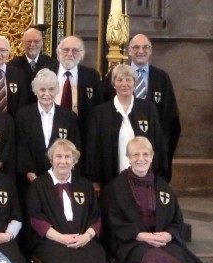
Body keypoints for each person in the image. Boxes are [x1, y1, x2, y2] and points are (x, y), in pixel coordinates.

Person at [103, 136, 203, 263]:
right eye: (135, 154)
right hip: (133, 242)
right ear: (128, 157)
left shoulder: (163, 187)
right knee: (153, 262)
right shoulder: (115, 187)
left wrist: (169, 234)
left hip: (161, 239)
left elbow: (176, 219)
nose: (141, 158)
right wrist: (141, 235)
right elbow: (113, 221)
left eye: (145, 154)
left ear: (152, 156)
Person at [27, 138, 109, 263]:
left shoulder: (84, 185)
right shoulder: (39, 186)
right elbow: (36, 219)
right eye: (58, 156)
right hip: (51, 241)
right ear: (51, 160)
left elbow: (96, 217)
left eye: (67, 157)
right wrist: (61, 238)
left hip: (83, 239)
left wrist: (86, 236)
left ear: (74, 161)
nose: (63, 161)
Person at [104, 34, 181, 182]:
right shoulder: (113, 77)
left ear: (151, 50)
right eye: (136, 47)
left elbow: (171, 118)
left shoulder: (161, 78)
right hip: (118, 150)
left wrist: (162, 148)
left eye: (145, 47)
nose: (141, 51)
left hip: (151, 150)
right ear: (129, 51)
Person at [85, 64, 167, 192]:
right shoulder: (100, 113)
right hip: (111, 175)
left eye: (129, 80)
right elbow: (93, 148)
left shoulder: (148, 109)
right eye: (119, 80)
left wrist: (160, 174)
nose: (124, 84)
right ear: (113, 84)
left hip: (143, 176)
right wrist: (94, 179)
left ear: (135, 83)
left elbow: (158, 142)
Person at [16, 68, 80, 184]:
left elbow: (74, 147)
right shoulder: (23, 116)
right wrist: (32, 176)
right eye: (42, 89)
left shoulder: (69, 117)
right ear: (35, 91)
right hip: (30, 180)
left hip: (61, 178)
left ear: (57, 91)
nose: (47, 94)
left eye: (51, 89)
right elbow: (21, 147)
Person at [48, 36, 104, 137]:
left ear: (81, 54)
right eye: (66, 50)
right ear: (59, 52)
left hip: (81, 132)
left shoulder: (92, 76)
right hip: (50, 128)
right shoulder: (47, 72)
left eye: (75, 51)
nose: (70, 54)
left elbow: (98, 105)